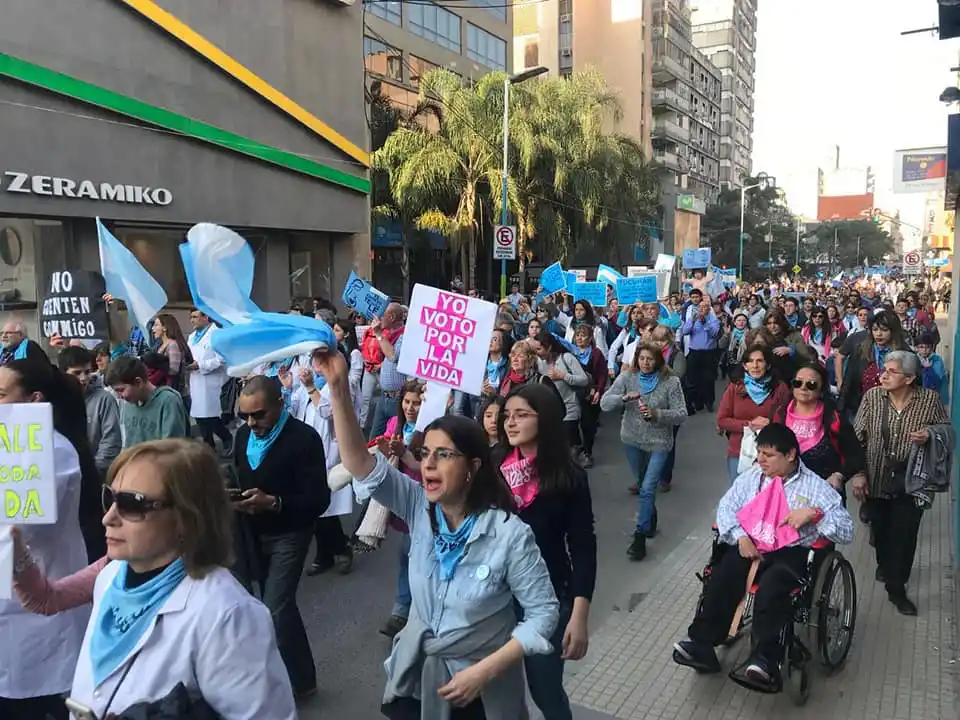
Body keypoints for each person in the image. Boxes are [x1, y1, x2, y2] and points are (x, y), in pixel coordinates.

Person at [317, 348, 559, 719]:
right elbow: (360, 464)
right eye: (426, 453)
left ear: (472, 468)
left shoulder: (510, 534)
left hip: (480, 695)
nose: (428, 464)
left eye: (444, 455)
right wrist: (336, 386)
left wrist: (486, 669)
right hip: (416, 681)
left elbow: (543, 614)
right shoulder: (419, 506)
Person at [10, 439, 296, 718]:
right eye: (109, 497)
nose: (108, 517)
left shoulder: (226, 614)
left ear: (187, 517)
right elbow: (46, 597)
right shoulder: (111, 575)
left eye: (132, 504)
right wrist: (13, 549)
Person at [672, 424, 854, 688]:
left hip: (791, 552)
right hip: (752, 545)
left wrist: (816, 514)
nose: (760, 460)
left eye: (768, 455)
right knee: (723, 574)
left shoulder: (815, 487)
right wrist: (740, 537)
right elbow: (726, 507)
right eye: (759, 453)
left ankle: (766, 660)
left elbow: (846, 531)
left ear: (791, 454)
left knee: (772, 587)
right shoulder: (753, 478)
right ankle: (702, 643)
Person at [497, 384, 597, 720]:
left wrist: (579, 616)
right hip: (493, 598)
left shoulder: (569, 477)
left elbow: (583, 547)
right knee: (497, 691)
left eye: (521, 415)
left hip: (548, 599)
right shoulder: (493, 466)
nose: (510, 422)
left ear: (546, 420)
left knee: (545, 691)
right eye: (507, 415)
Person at [0, 360, 91, 719]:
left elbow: (17, 529)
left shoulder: (52, 452)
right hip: (14, 608)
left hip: (39, 612)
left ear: (33, 400)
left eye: (1, 395)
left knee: (31, 704)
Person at [231, 375, 330, 697]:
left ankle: (290, 685)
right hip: (249, 534)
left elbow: (319, 499)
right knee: (271, 607)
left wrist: (274, 503)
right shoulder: (242, 436)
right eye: (245, 415)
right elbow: (235, 473)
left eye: (259, 414)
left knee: (274, 607)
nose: (251, 422)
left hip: (290, 533)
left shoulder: (304, 438)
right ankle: (299, 678)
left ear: (280, 404)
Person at [854, 351, 949, 616]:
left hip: (913, 481)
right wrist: (859, 473)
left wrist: (930, 434)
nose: (883, 375)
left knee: (905, 536)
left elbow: (947, 430)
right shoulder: (873, 397)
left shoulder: (928, 400)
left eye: (891, 371)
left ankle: (897, 590)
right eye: (883, 369)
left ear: (909, 378)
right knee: (882, 533)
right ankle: (886, 565)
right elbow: (857, 438)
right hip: (876, 478)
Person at [601, 343, 687, 560]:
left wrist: (657, 414)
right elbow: (604, 403)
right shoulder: (628, 378)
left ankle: (639, 538)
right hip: (632, 439)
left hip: (659, 440)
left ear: (658, 360)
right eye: (642, 358)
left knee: (648, 488)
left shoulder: (671, 381)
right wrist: (623, 399)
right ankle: (650, 518)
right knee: (642, 485)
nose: (645, 363)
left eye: (650, 359)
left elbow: (681, 413)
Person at [771, 362, 864, 498]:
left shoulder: (834, 418)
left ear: (821, 391)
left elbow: (855, 454)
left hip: (825, 493)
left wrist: (839, 475)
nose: (803, 388)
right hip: (784, 493)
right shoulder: (779, 414)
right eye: (798, 383)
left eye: (811, 385)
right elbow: (767, 449)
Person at [716, 345, 791, 483]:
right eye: (750, 361)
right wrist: (749, 425)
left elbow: (785, 420)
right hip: (739, 451)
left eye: (760, 361)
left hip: (770, 453)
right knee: (741, 499)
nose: (755, 366)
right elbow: (722, 420)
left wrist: (770, 424)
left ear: (768, 365)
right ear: (745, 366)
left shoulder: (780, 388)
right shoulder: (735, 387)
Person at [57, 346, 122, 479]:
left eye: (87, 372)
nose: (83, 378)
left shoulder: (104, 399)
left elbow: (111, 441)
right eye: (77, 373)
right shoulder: (54, 401)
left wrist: (92, 474)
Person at [105, 356, 190, 447]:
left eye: (121, 390)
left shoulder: (168, 401)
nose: (119, 396)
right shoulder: (128, 403)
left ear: (138, 382)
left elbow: (172, 448)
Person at [532, 331, 589, 450]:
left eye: (539, 349)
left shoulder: (566, 358)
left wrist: (563, 376)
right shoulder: (539, 363)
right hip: (551, 411)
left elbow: (584, 380)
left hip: (570, 408)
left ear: (549, 347)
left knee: (571, 441)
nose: (537, 353)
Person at [186, 309, 233, 453]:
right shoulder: (192, 336)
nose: (192, 320)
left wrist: (200, 365)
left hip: (211, 380)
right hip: (195, 379)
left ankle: (226, 438)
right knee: (199, 417)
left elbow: (222, 359)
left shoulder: (216, 335)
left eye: (195, 317)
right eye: (191, 317)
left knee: (210, 416)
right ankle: (208, 446)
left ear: (206, 317)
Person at [368, 303, 407, 440]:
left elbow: (393, 356)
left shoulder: (404, 335)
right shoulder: (391, 336)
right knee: (374, 439)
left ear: (392, 317)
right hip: (384, 397)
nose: (379, 319)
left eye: (382, 316)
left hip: (397, 398)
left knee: (395, 439)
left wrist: (378, 333)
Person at [680, 298, 720, 413]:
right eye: (700, 307)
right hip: (694, 352)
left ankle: (709, 402)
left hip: (709, 354)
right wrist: (692, 322)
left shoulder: (713, 320)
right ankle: (695, 402)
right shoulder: (692, 319)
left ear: (709, 309)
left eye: (705, 307)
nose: (702, 309)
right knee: (693, 379)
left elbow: (714, 334)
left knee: (708, 379)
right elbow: (685, 331)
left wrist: (705, 323)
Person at [153, 313, 193, 396]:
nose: (153, 328)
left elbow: (174, 370)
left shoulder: (172, 344)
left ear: (165, 328)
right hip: (163, 389)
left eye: (156, 325)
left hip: (173, 391)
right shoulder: (160, 345)